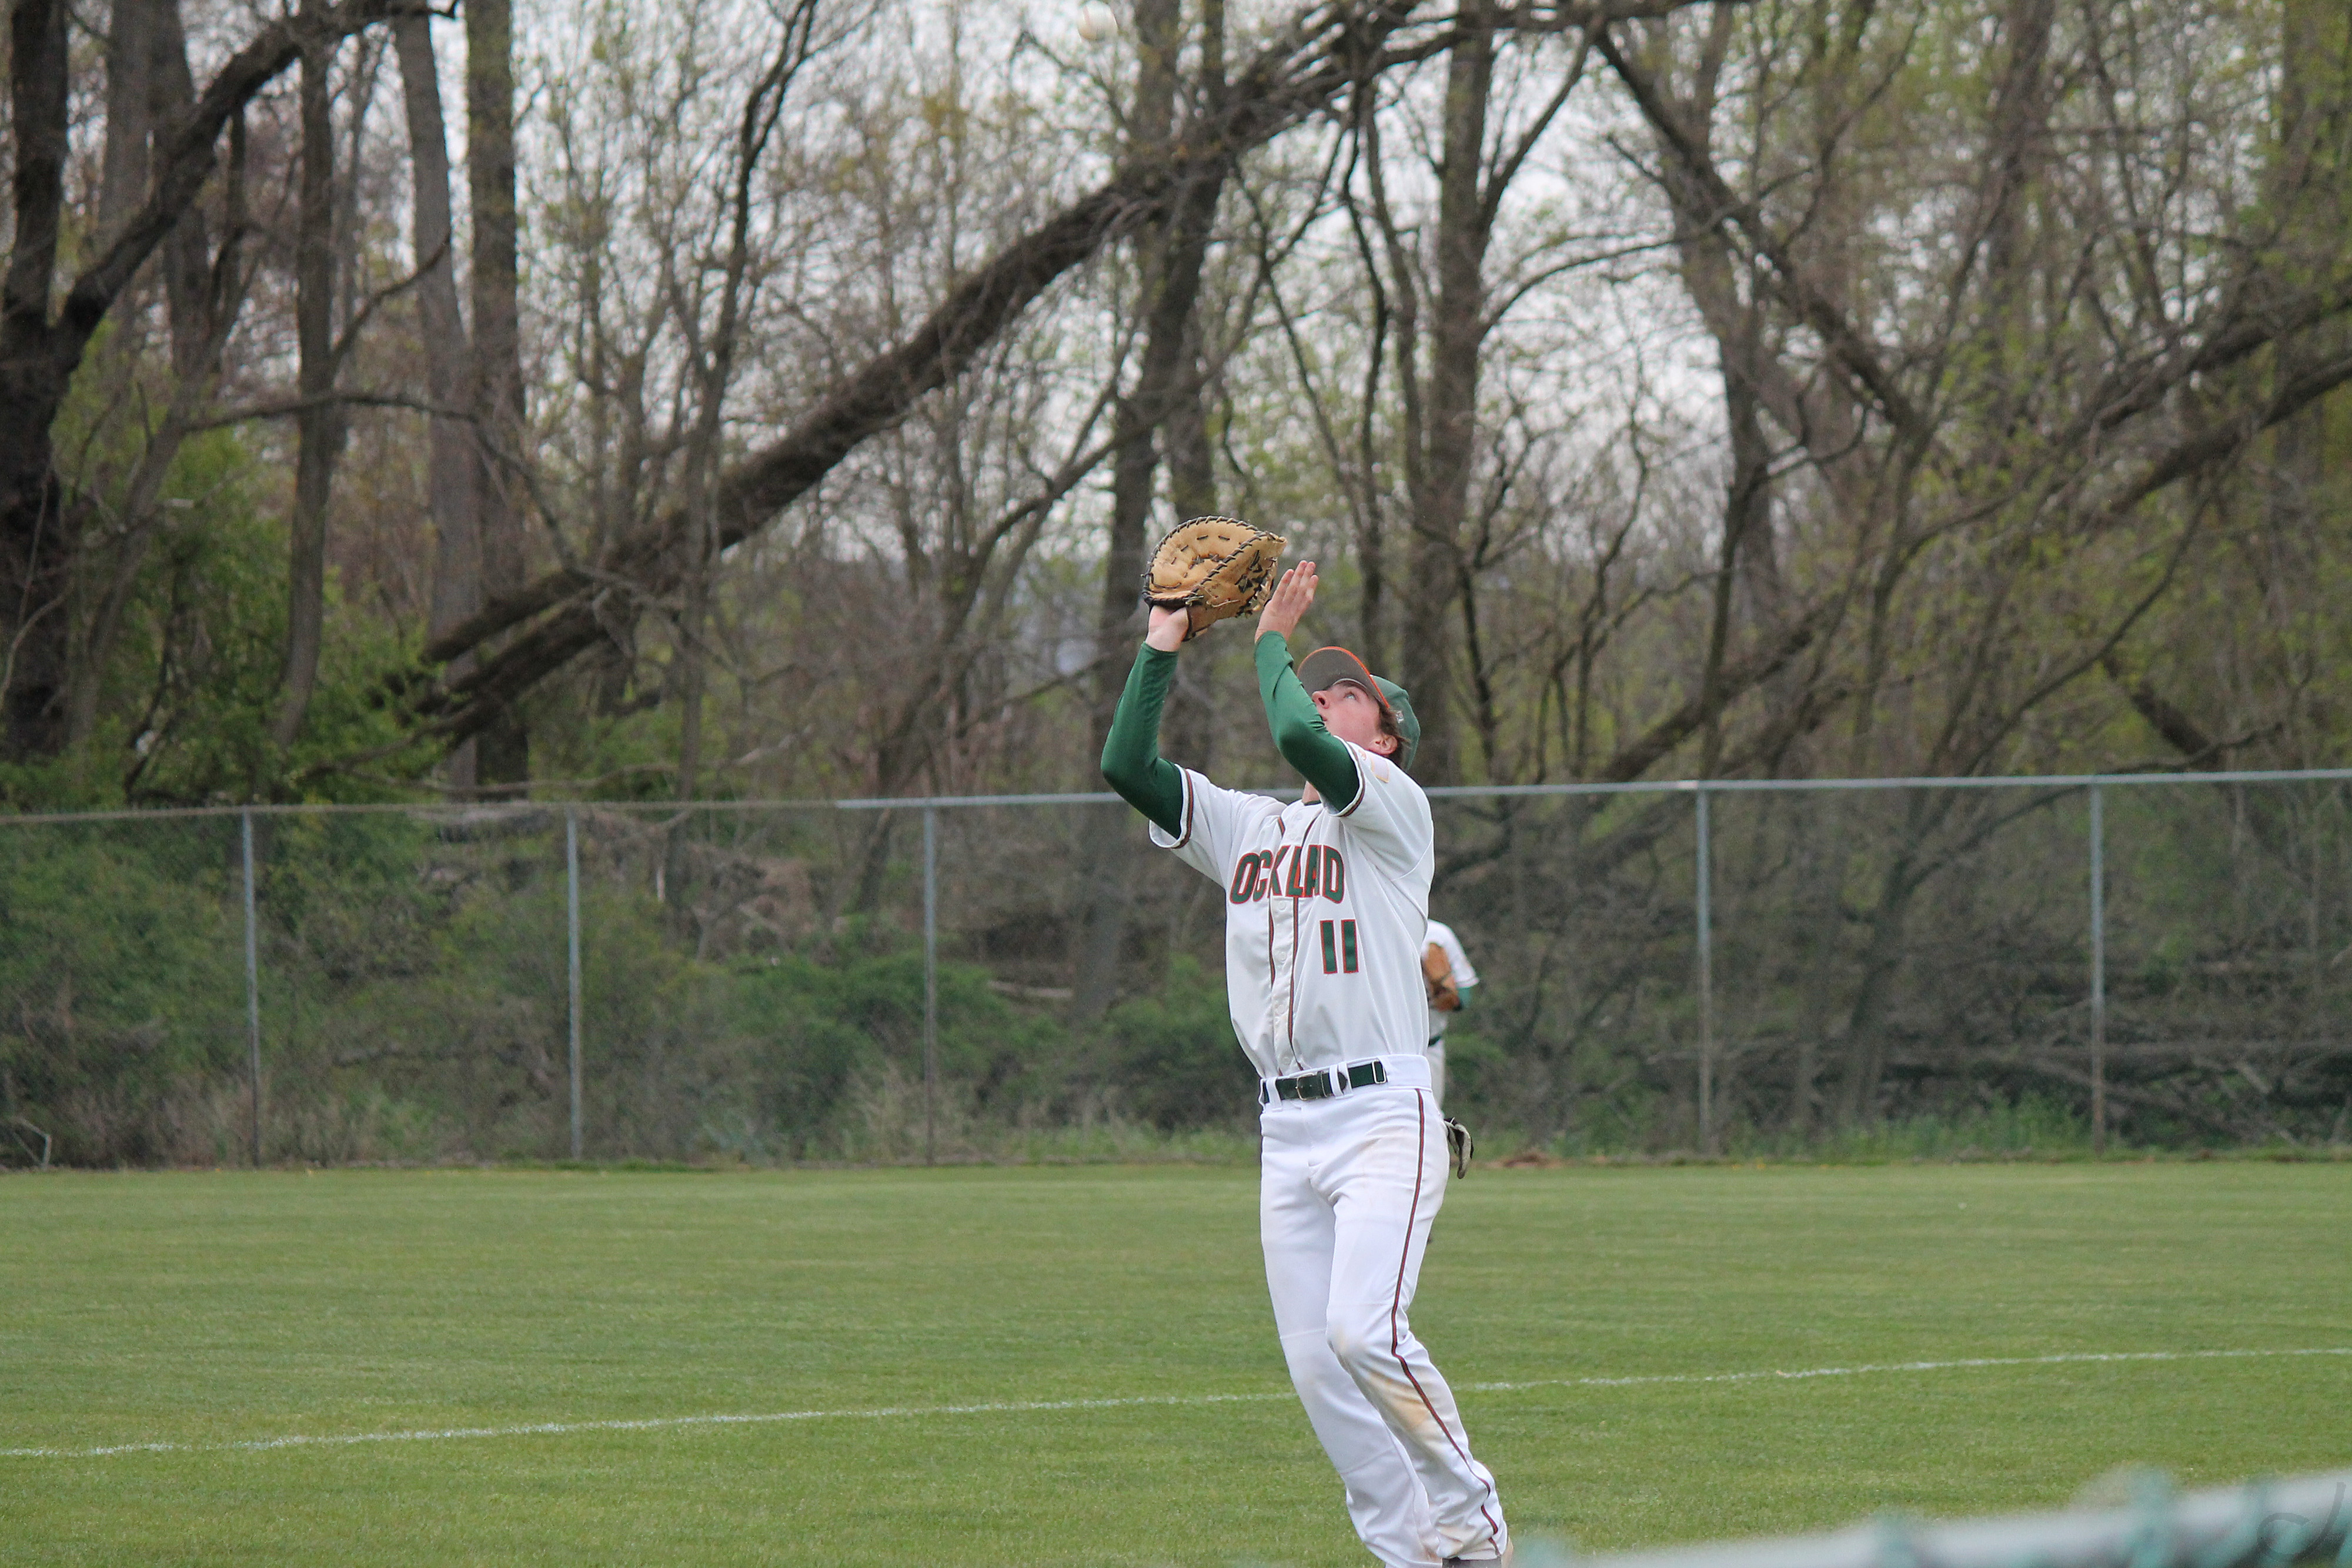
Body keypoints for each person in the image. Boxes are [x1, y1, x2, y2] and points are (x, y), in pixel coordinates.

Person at [1100, 557, 1509, 1568]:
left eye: (1349, 692)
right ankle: (1411, 1554)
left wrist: (1273, 636)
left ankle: (1474, 1523)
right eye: (1318, 682)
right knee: (1318, 1368)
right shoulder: (1252, 825)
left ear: (1383, 735)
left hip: (1381, 1113)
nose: (1324, 694)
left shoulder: (1391, 810)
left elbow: (1291, 729)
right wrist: (1162, 639)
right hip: (1286, 1128)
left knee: (1363, 1333)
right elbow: (1127, 765)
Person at [1421, 920, 1478, 1112]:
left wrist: (1445, 991)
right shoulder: (1376, 930)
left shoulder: (1437, 935)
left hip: (1429, 1047)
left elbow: (1465, 995)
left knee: (1431, 1117)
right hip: (1384, 1049)